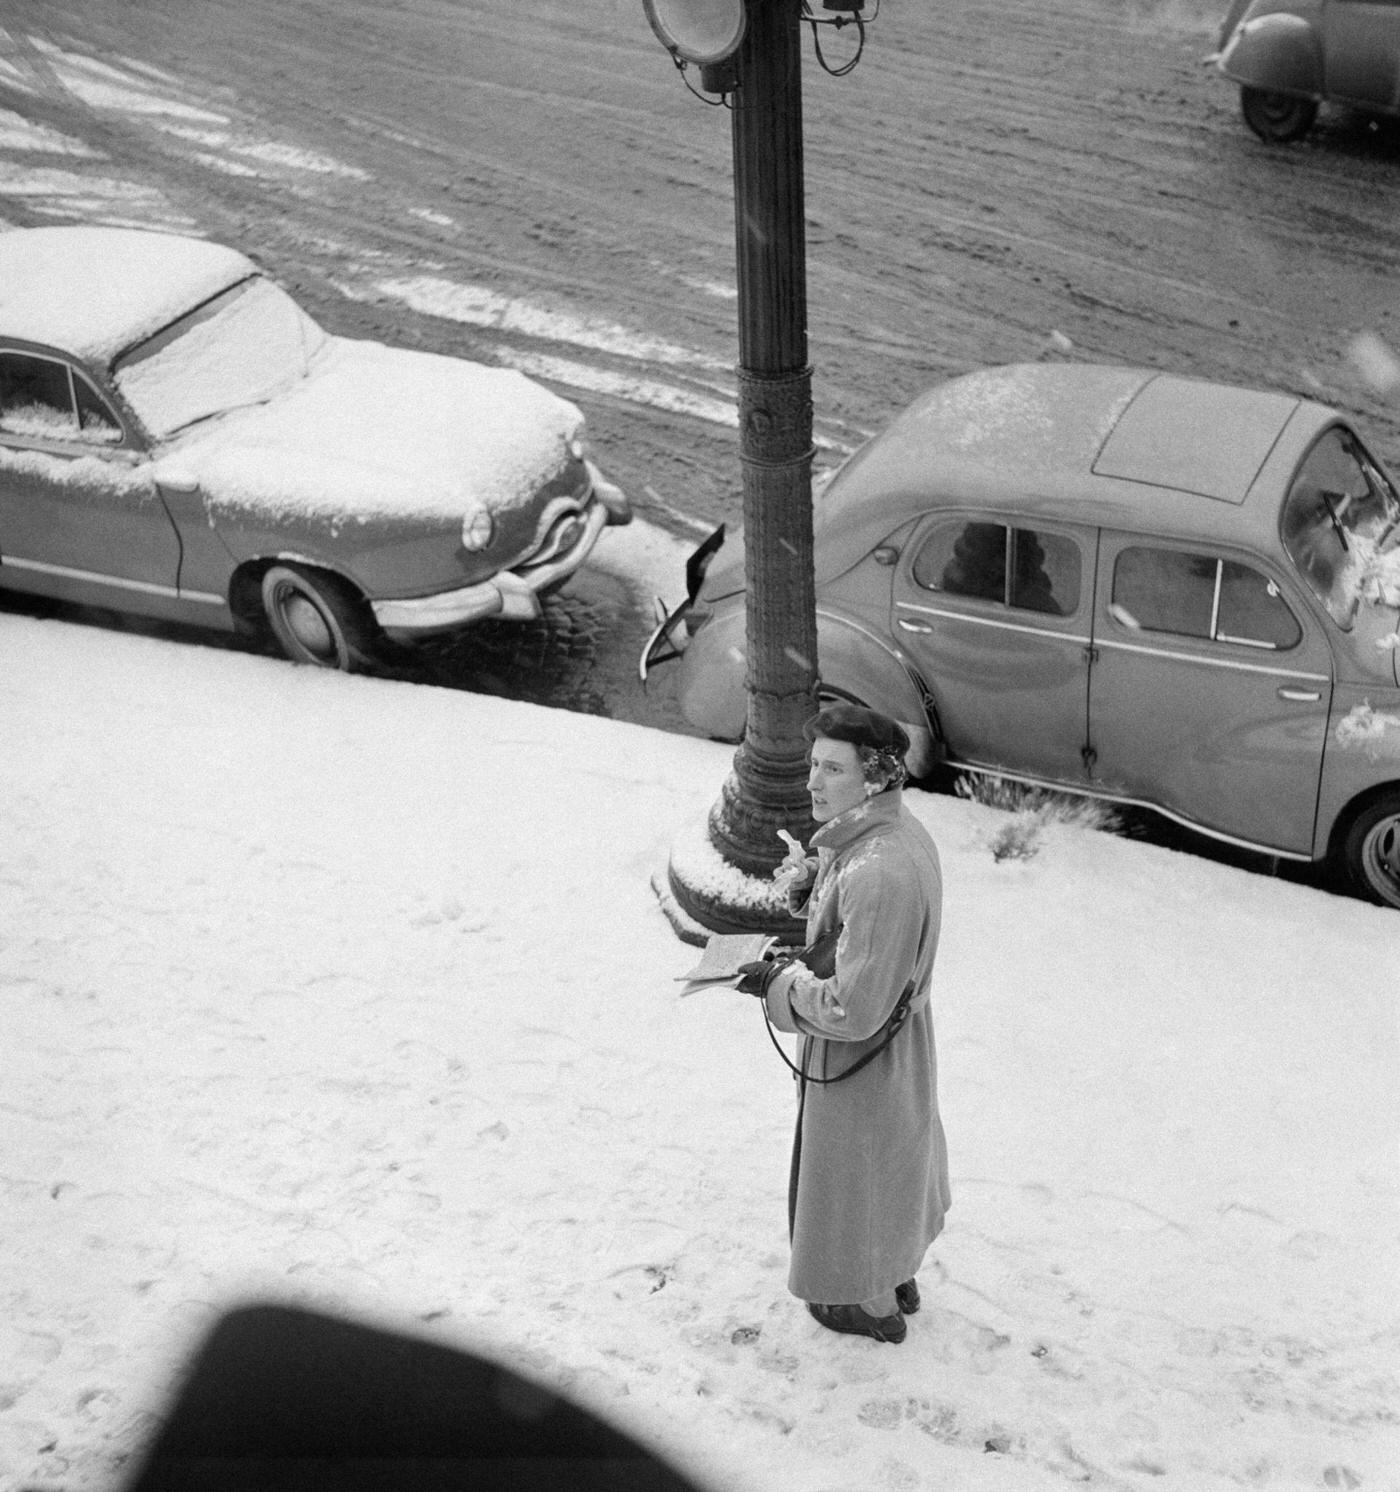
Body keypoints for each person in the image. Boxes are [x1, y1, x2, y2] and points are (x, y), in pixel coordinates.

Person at [737, 703, 950, 1345]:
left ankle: (869, 1304)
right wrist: (812, 891)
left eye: (832, 767)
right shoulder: (884, 839)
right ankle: (893, 1273)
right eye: (812, 765)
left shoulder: (878, 870)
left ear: (876, 777)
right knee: (892, 1166)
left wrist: (777, 984)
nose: (812, 782)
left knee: (858, 1175)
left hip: (863, 1058)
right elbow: (865, 936)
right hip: (897, 1045)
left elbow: (851, 1010)